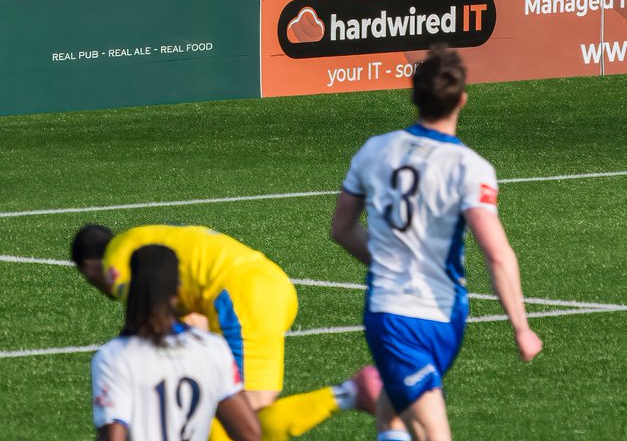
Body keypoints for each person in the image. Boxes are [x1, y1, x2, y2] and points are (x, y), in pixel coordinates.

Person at [331, 45, 542, 441]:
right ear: (462, 99)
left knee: (393, 420)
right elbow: (496, 252)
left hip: (396, 313)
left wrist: (386, 264)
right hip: (432, 319)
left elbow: (342, 229)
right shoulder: (469, 167)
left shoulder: (374, 151)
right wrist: (520, 327)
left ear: (413, 95)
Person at [72, 224, 380, 440]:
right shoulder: (139, 238)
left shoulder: (118, 260)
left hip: (236, 299)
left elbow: (147, 314)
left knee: (248, 423)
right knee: (224, 421)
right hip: (268, 286)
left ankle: (349, 393)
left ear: (89, 267)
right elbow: (189, 310)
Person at [91, 244, 261, 441]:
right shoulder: (212, 348)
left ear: (131, 286)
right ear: (179, 288)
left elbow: (113, 437)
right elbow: (249, 433)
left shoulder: (114, 357)